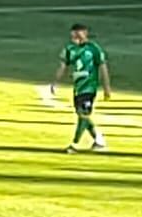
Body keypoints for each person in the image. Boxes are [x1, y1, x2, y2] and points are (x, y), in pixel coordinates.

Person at [46, 22, 111, 152]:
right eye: (73, 35)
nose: (75, 37)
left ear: (85, 33)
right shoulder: (70, 49)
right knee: (82, 115)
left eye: (78, 34)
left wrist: (106, 87)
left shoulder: (94, 48)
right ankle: (99, 140)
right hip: (78, 88)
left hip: (90, 87)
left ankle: (75, 145)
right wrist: (55, 83)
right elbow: (62, 67)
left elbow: (103, 67)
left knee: (83, 115)